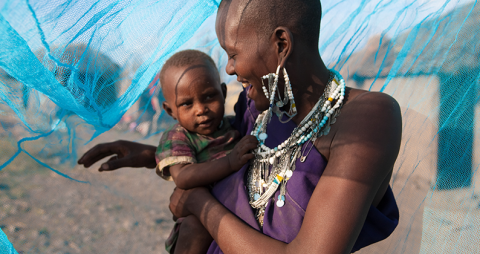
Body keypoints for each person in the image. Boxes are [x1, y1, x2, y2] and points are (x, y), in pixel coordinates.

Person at [78, 0, 402, 253]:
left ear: (281, 45)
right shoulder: (259, 109)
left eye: (232, 53)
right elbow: (224, 151)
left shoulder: (365, 118)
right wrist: (156, 155)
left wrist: (197, 203)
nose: (230, 69)